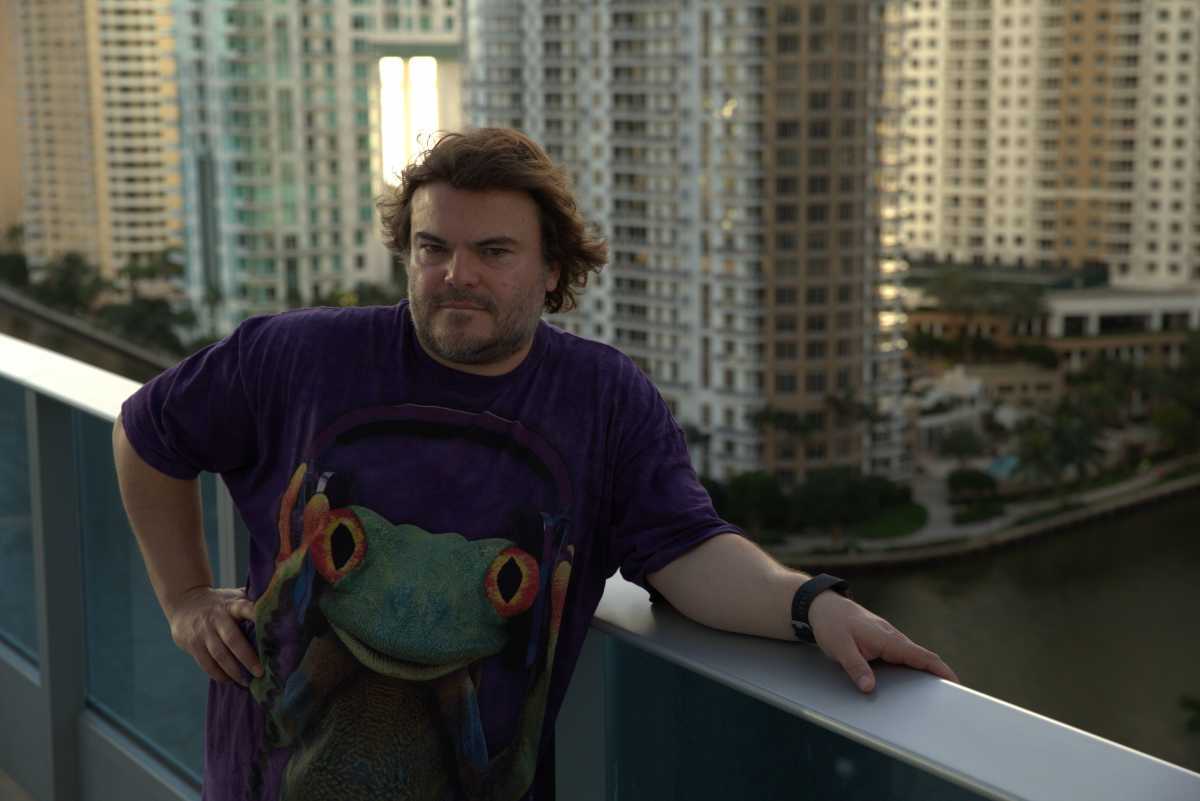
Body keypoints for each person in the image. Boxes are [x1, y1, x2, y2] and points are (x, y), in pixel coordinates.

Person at [113, 127, 957, 801]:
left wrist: (811, 603)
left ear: (554, 269)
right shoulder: (298, 355)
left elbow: (686, 550)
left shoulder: (602, 396)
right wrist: (185, 596)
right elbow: (147, 432)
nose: (456, 276)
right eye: (432, 246)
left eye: (493, 252)